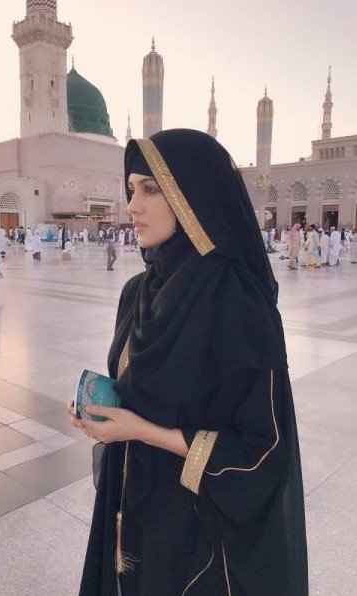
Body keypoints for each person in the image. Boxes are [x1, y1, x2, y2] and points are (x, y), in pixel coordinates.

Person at [68, 130, 308, 596]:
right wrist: (99, 407)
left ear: (192, 195)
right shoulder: (137, 292)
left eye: (150, 189)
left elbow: (263, 449)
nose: (132, 206)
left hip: (197, 538)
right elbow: (138, 390)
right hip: (131, 511)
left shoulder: (239, 304)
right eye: (131, 189)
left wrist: (141, 430)